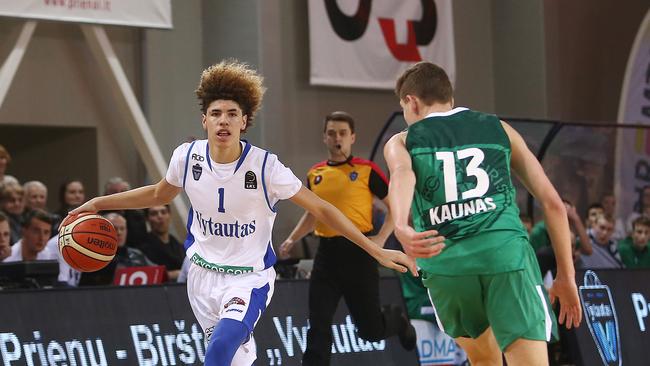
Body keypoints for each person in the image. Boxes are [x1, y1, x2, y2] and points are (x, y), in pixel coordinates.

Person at [67, 60, 423, 366]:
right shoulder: (187, 156)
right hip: (201, 278)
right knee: (233, 357)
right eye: (216, 113)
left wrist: (375, 247)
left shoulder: (266, 167)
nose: (224, 120)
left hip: (248, 279)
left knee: (220, 348)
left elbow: (322, 209)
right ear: (204, 119)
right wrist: (98, 203)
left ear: (245, 121)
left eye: (232, 114)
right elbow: (159, 192)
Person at [383, 62, 581, 365]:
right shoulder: (498, 128)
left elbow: (401, 174)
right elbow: (553, 203)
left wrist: (400, 224)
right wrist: (566, 276)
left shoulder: (403, 140)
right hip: (505, 257)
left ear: (411, 102)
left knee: (484, 360)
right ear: (448, 95)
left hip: (446, 264)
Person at [279, 111, 417, 365]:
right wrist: (292, 239)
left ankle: (396, 319)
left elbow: (395, 206)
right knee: (318, 323)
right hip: (327, 256)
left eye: (342, 133)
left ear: (352, 137)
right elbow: (313, 214)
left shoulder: (366, 170)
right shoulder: (315, 173)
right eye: (331, 133)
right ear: (324, 137)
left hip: (360, 254)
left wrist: (382, 238)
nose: (337, 138)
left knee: (371, 331)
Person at [79, 212, 154, 286]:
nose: (119, 233)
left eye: (122, 228)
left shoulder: (136, 254)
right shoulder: (93, 258)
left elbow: (156, 273)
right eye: (114, 228)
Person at [140, 205, 185, 281]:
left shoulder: (179, 246)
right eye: (154, 213)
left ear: (170, 216)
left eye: (163, 212)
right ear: (147, 219)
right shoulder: (143, 248)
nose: (160, 216)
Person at [103, 177, 148, 248]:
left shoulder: (138, 216)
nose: (119, 195)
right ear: (106, 195)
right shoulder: (101, 216)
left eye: (123, 192)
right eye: (114, 192)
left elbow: (143, 242)